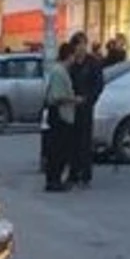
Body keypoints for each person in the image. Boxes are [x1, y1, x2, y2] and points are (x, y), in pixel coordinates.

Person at [40, 43, 81, 192]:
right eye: (73, 55)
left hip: (61, 113)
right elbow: (57, 96)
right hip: (60, 114)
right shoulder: (59, 72)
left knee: (59, 149)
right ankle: (54, 180)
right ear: (69, 56)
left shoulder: (60, 71)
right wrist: (74, 100)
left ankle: (55, 179)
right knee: (59, 150)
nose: (74, 59)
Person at [69, 33, 105, 185]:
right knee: (71, 141)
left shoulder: (92, 63)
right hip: (71, 105)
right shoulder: (71, 63)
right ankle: (73, 173)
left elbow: (98, 85)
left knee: (84, 141)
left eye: (84, 44)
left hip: (85, 106)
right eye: (79, 44)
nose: (82, 47)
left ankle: (85, 174)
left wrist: (88, 99)